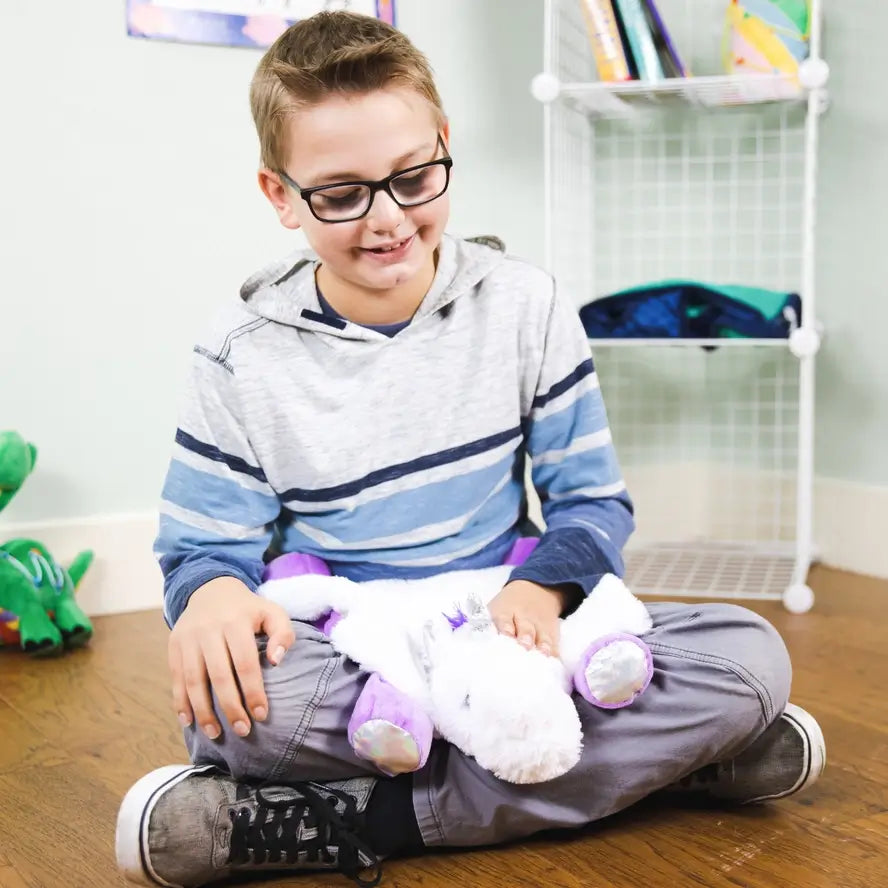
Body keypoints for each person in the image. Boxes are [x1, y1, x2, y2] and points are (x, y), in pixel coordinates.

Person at [114, 11, 825, 888]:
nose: (387, 220)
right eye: (341, 194)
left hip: (505, 628)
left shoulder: (527, 306)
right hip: (354, 649)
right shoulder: (239, 352)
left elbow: (593, 505)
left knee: (752, 658)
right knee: (234, 716)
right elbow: (202, 549)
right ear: (279, 194)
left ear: (445, 144)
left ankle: (369, 819)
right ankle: (661, 771)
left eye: (414, 176)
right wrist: (214, 595)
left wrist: (539, 587)